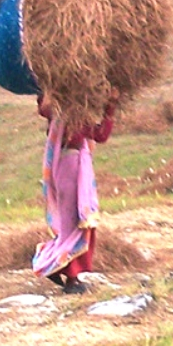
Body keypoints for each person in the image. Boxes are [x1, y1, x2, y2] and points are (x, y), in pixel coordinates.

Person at [32, 90, 118, 294]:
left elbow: (43, 107)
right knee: (77, 225)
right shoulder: (74, 115)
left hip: (63, 168)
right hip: (72, 169)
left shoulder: (56, 111)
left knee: (69, 224)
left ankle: (64, 270)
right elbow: (101, 134)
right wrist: (110, 107)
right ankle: (68, 276)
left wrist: (45, 91)